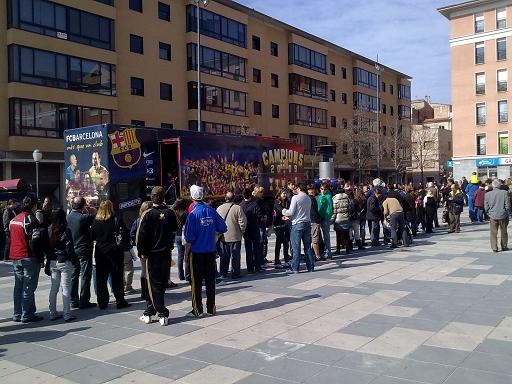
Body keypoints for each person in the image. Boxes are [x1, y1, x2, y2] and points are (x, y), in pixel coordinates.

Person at [184, 185, 227, 318]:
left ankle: (197, 310)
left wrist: (186, 255)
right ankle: (211, 308)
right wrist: (214, 238)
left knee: (196, 282)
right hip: (210, 252)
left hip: (196, 253)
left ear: (192, 197)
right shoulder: (211, 211)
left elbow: (189, 239)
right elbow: (223, 227)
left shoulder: (192, 215)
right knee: (210, 281)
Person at [137, 187, 178, 325]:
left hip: (152, 255)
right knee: (160, 283)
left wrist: (141, 251)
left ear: (152, 197)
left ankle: (162, 312)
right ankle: (149, 311)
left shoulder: (147, 214)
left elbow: (140, 236)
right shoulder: (170, 212)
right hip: (166, 253)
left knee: (154, 284)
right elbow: (176, 228)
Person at [10, 196, 44, 323]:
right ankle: (27, 313)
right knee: (29, 286)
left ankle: (17, 313)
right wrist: (40, 258)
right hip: (28, 256)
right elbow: (34, 242)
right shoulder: (30, 219)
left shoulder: (14, 219)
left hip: (15, 256)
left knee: (18, 286)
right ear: (33, 206)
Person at [92, 200, 130, 310]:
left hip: (100, 252)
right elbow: (125, 233)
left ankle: (102, 302)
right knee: (117, 278)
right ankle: (120, 301)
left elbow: (93, 236)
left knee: (101, 279)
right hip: (114, 252)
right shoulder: (116, 220)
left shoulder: (95, 221)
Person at [46, 208, 77, 322]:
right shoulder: (65, 230)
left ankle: (52, 312)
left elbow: (47, 248)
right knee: (66, 288)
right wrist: (74, 260)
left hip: (53, 261)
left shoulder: (49, 229)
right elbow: (69, 249)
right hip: (64, 261)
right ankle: (67, 314)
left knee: (54, 288)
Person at [67, 196, 96, 309]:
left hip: (72, 249)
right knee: (85, 275)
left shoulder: (68, 217)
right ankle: (84, 300)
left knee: (74, 275)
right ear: (83, 205)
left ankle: (73, 300)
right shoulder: (84, 217)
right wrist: (90, 209)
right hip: (84, 249)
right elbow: (95, 216)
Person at [282, 183, 314, 273]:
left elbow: (291, 212)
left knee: (295, 247)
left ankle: (295, 268)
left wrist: (284, 211)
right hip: (307, 223)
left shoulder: (295, 197)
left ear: (299, 188)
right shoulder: (308, 198)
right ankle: (310, 266)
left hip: (297, 224)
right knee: (307, 246)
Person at [217, 192, 247, 279]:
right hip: (235, 236)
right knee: (235, 256)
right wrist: (241, 231)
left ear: (225, 198)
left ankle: (223, 273)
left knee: (224, 256)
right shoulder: (237, 208)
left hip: (223, 236)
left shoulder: (219, 208)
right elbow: (243, 222)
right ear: (233, 199)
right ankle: (235, 273)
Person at [130, 200, 153, 300]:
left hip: (142, 249)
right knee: (151, 271)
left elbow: (132, 234)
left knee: (144, 270)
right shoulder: (153, 219)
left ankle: (144, 292)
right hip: (152, 249)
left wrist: (137, 244)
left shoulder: (137, 220)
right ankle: (150, 291)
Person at [239, 188, 264, 274]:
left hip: (246, 229)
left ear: (243, 195)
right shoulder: (255, 204)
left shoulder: (240, 205)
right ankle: (257, 266)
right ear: (251, 195)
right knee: (256, 248)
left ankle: (250, 267)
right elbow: (260, 216)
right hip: (254, 228)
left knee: (248, 248)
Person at [484, 179, 510, 252]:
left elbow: (486, 207)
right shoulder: (505, 193)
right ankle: (504, 246)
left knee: (493, 233)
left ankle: (494, 247)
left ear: (493, 185)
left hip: (492, 215)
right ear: (500, 185)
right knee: (504, 231)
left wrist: (489, 213)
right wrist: (507, 212)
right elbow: (507, 205)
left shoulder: (487, 194)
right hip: (503, 215)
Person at [171, 199, 189, 281]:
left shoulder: (174, 213)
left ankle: (180, 275)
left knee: (180, 256)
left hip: (177, 235)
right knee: (187, 254)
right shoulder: (186, 214)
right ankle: (187, 274)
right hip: (185, 235)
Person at [332, 187, 352, 254]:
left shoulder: (335, 199)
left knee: (338, 235)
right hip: (346, 218)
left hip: (338, 219)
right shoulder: (347, 198)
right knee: (347, 235)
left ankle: (338, 250)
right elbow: (350, 208)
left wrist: (332, 220)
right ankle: (348, 249)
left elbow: (334, 211)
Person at [273, 189, 291, 266]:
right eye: (283, 193)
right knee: (281, 242)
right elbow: (281, 210)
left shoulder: (287, 201)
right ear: (279, 194)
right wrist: (286, 214)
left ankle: (285, 260)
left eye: (286, 193)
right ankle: (277, 261)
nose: (285, 195)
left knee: (285, 242)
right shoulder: (277, 202)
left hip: (285, 224)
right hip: (278, 224)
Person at [317, 182, 334, 259]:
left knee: (326, 235)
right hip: (318, 218)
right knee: (318, 236)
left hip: (325, 218)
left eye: (325, 189)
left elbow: (330, 208)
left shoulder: (328, 196)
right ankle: (321, 250)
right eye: (322, 189)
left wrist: (327, 216)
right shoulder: (319, 196)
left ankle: (328, 252)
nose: (323, 190)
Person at [307, 184, 322, 261]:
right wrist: (317, 219)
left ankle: (311, 255)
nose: (312, 191)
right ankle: (317, 255)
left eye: (312, 189)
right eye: (310, 190)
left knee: (311, 239)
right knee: (315, 239)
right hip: (313, 221)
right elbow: (313, 211)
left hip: (310, 220)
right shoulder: (311, 199)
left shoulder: (310, 198)